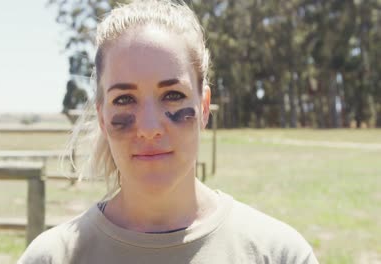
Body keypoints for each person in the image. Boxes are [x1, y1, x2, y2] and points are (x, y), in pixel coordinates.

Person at [18, 1, 319, 263]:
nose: (149, 128)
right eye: (124, 99)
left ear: (203, 107)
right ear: (102, 116)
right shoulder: (52, 257)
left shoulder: (279, 254)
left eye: (172, 95)